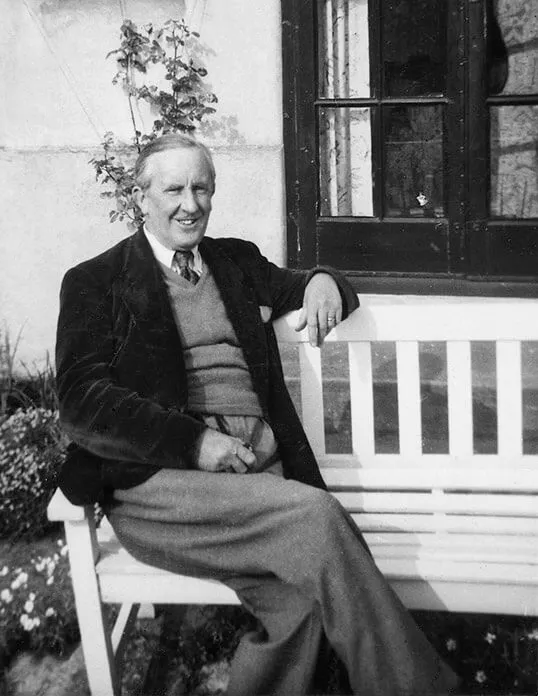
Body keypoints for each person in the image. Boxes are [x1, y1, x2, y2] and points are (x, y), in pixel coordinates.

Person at [55, 134, 457, 696]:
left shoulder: (234, 261)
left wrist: (322, 281)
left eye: (201, 187)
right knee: (318, 517)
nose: (189, 203)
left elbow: (302, 283)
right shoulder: (96, 281)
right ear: (141, 196)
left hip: (254, 478)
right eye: (173, 189)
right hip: (160, 487)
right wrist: (194, 443)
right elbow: (81, 399)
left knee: (302, 608)